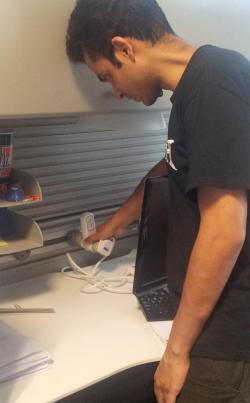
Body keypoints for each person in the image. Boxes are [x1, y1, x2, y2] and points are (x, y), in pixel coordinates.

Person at [66, 1, 250, 402]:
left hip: (222, 342)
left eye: (107, 75)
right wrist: (117, 221)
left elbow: (225, 230)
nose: (115, 91)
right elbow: (172, 163)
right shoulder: (200, 83)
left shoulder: (212, 83)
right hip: (215, 323)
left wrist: (177, 351)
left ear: (125, 48)